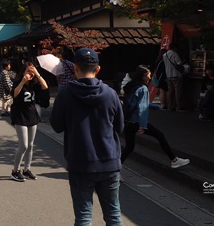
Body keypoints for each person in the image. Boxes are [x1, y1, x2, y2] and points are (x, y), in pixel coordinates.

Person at [49, 47, 124, 226]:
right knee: (114, 215)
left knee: (83, 216)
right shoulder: (110, 94)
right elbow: (120, 127)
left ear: (75, 67)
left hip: (80, 161)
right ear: (97, 69)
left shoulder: (65, 94)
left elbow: (56, 125)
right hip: (109, 161)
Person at [121, 65, 190, 169]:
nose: (150, 78)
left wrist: (156, 106)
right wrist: (143, 126)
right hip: (137, 121)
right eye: (149, 75)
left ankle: (114, 169)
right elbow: (142, 108)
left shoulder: (131, 86)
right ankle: (174, 160)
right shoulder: (143, 88)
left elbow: (137, 103)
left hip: (128, 120)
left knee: (129, 147)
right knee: (159, 135)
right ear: (144, 76)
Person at [10, 61, 49, 182]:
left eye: (32, 71)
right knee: (24, 145)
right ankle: (15, 170)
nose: (30, 74)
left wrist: (37, 74)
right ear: (23, 72)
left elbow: (45, 87)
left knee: (31, 145)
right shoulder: (18, 82)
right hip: (20, 115)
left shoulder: (34, 83)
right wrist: (23, 81)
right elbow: (15, 95)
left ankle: (27, 169)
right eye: (28, 71)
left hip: (32, 115)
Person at [163, 44, 186, 111]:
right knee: (177, 91)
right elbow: (179, 63)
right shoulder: (175, 54)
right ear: (174, 48)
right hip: (176, 74)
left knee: (170, 91)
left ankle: (170, 106)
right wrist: (184, 62)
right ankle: (179, 106)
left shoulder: (165, 55)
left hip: (168, 75)